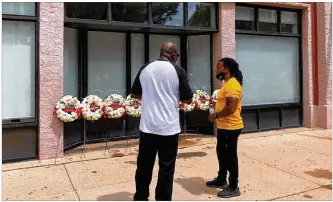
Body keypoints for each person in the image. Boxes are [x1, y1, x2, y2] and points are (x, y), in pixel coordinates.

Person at [130, 41, 193, 201]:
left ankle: (141, 197)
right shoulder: (178, 70)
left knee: (144, 165)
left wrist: (151, 97)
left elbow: (134, 93)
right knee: (166, 168)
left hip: (148, 127)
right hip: (168, 129)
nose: (177, 57)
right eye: (177, 55)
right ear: (172, 54)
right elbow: (188, 99)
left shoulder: (145, 68)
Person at [206, 57, 244, 198]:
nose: (217, 70)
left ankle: (233, 186)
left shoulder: (233, 84)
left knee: (230, 157)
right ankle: (221, 179)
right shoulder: (227, 84)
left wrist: (215, 115)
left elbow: (231, 108)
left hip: (231, 127)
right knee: (222, 153)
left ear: (226, 69)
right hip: (224, 126)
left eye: (219, 67)